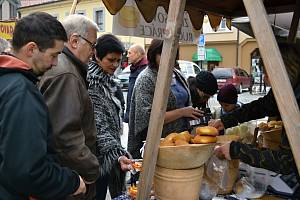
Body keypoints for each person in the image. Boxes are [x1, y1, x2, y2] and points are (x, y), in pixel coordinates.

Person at [0, 12, 86, 199]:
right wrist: (71, 182)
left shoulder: (7, 81)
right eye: (53, 55)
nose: (55, 63)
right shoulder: (21, 92)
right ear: (31, 49)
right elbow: (27, 171)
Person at [210, 43, 300, 185]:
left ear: (283, 71)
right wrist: (226, 120)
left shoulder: (296, 103)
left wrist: (235, 150)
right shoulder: (287, 90)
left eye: (267, 72)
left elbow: (285, 161)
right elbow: (261, 106)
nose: (265, 78)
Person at [38, 14, 100, 200]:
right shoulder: (66, 74)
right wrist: (91, 170)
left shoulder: (65, 69)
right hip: (71, 179)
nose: (93, 52)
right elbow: (65, 136)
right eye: (92, 45)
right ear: (74, 41)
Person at [127, 39, 203, 158]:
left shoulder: (177, 73)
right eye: (162, 53)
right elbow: (148, 117)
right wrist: (182, 112)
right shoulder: (146, 78)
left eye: (172, 53)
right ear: (153, 54)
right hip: (159, 145)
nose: (168, 57)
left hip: (181, 141)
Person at [87, 34, 133, 199]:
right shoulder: (93, 84)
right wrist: (117, 153)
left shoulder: (108, 80)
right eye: (111, 60)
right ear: (97, 56)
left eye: (118, 61)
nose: (115, 65)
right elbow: (98, 126)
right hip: (95, 158)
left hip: (107, 154)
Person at [123, 44, 148, 123]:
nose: (127, 56)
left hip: (140, 118)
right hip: (133, 115)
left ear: (138, 54)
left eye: (130, 53)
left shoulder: (145, 70)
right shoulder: (135, 67)